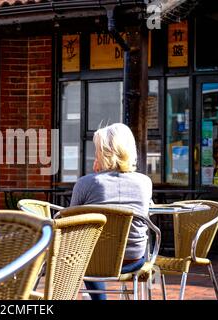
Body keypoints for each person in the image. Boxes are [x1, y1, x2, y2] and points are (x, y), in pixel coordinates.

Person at [69, 123, 152, 300]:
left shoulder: (86, 183)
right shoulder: (145, 182)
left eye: (97, 149)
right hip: (134, 260)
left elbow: (69, 223)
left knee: (86, 253)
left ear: (105, 152)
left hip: (93, 262)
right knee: (94, 254)